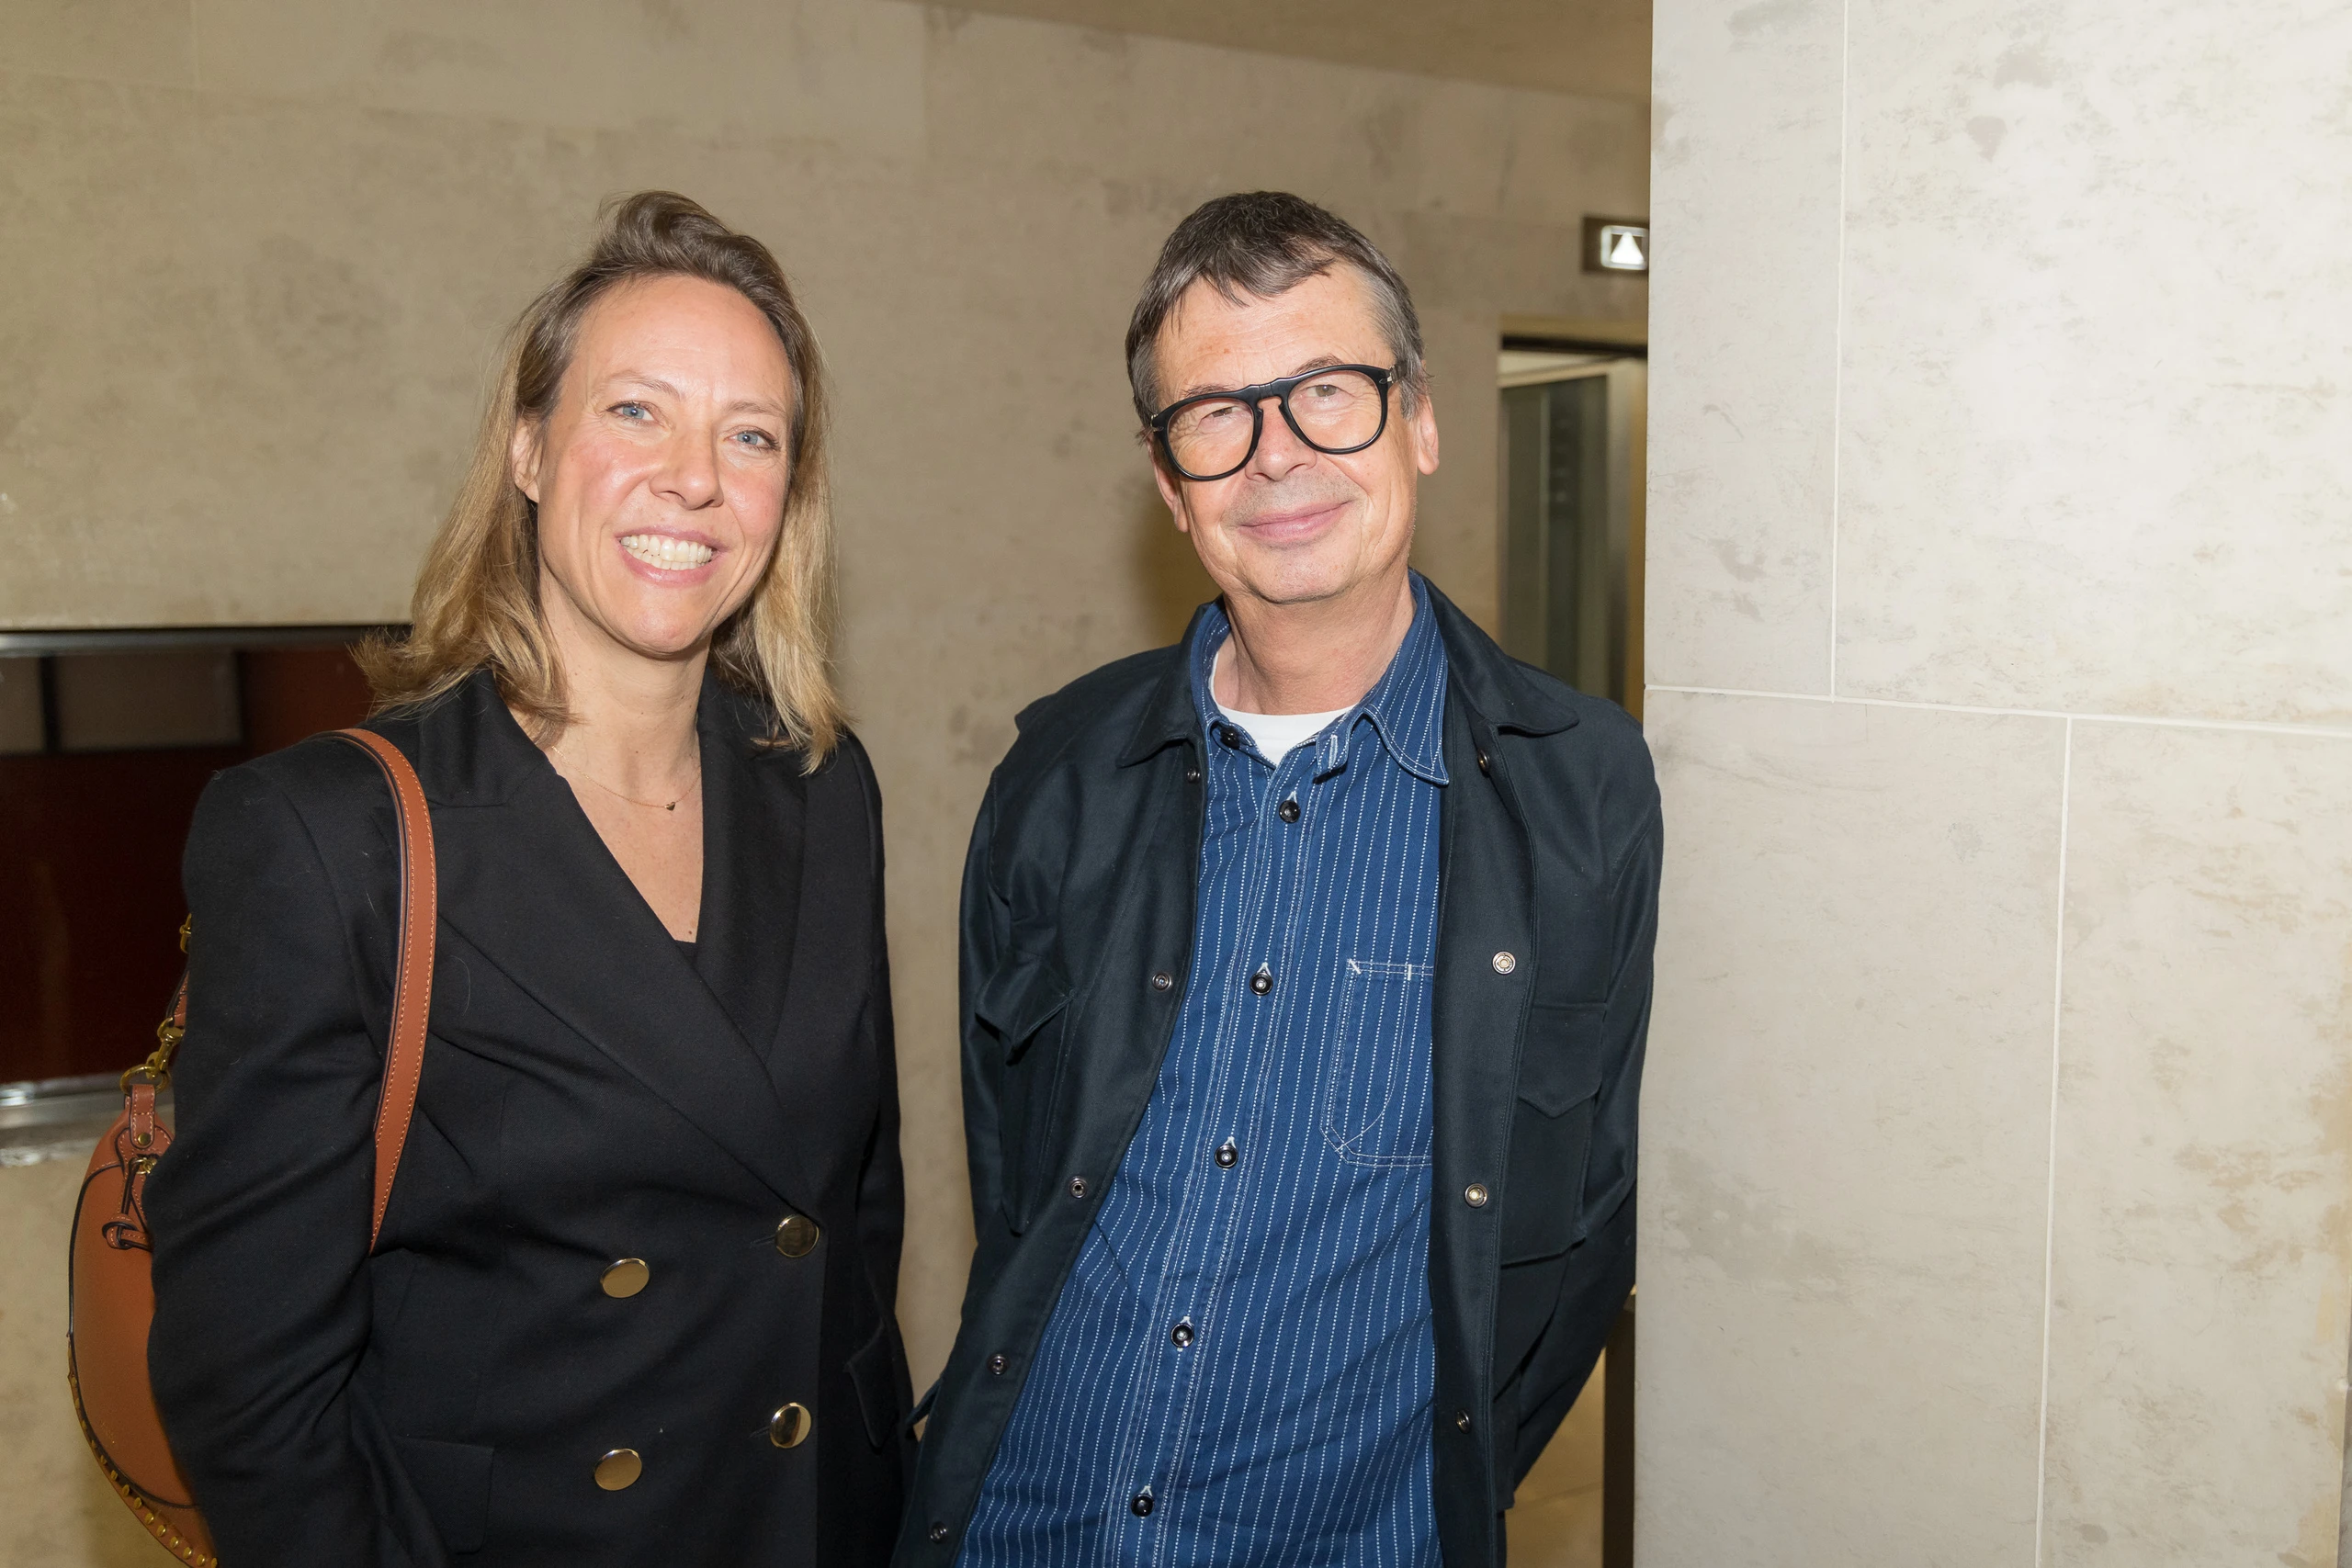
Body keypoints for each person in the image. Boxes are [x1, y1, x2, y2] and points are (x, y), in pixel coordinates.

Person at [147, 192, 911, 1567]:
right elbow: (251, 1395)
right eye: (636, 411)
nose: (695, 479)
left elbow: (850, 1221)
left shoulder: (821, 784)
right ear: (529, 450)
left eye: (751, 435)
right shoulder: (330, 834)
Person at [899, 192, 1660, 1567]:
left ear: (1419, 420)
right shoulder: (1061, 772)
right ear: (1168, 482)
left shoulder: (1579, 791)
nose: (1278, 455)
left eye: (1328, 390)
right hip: (1023, 1525)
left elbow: (1582, 1229)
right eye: (1217, 415)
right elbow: (1014, 1173)